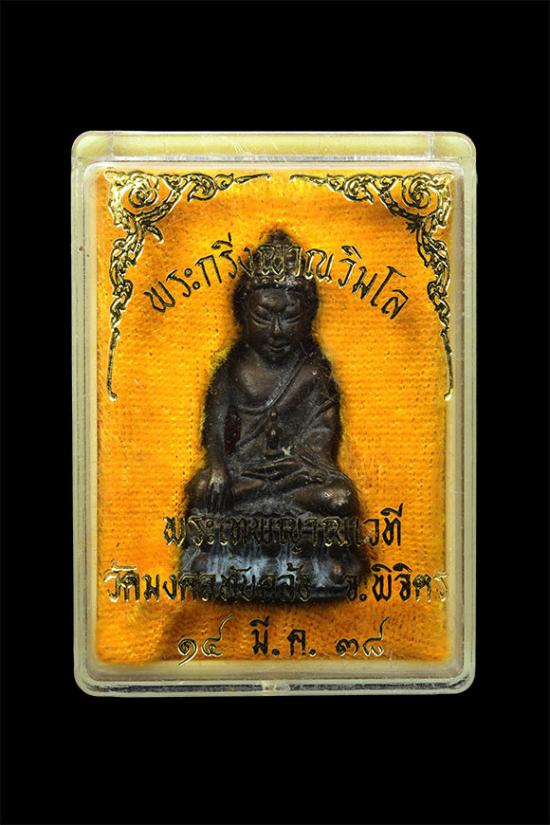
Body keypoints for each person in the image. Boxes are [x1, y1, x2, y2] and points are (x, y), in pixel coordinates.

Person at [181, 229, 366, 599]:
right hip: (244, 474)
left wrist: (299, 463)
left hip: (296, 477)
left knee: (339, 499)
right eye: (264, 316)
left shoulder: (312, 370)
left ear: (308, 316)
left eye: (290, 316)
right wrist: (218, 467)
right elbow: (214, 425)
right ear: (243, 314)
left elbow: (323, 430)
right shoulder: (233, 367)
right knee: (201, 491)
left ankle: (284, 555)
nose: (278, 331)